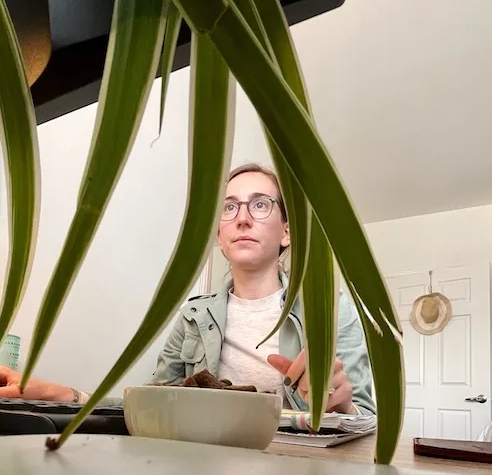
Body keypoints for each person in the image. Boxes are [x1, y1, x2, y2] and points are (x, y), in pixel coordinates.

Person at [0, 163, 376, 415]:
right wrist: (63, 395)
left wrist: (343, 407)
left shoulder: (330, 311)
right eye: (229, 208)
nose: (242, 217)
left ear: (287, 231)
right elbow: (154, 407)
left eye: (260, 205)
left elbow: (370, 422)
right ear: (219, 233)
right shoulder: (194, 316)